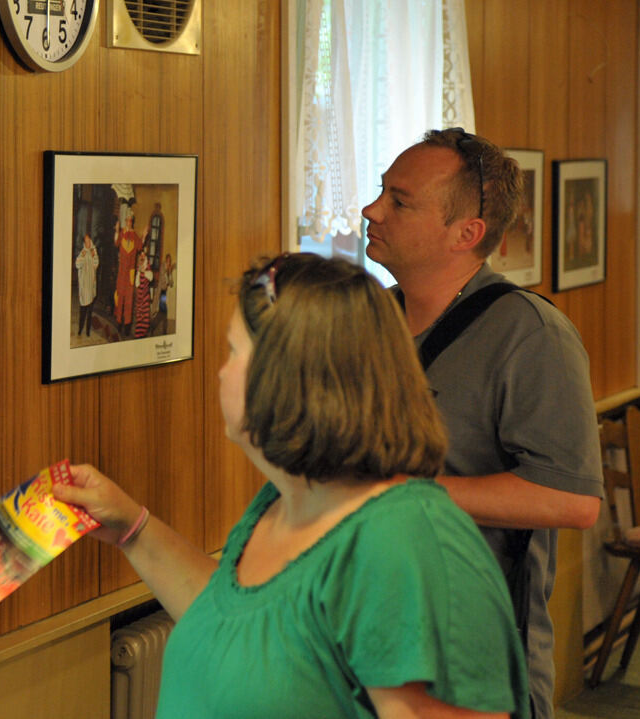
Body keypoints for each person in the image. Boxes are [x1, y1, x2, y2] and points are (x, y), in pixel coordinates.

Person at [54, 253, 530, 719]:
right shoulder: (286, 499)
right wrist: (130, 529)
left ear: (290, 376)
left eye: (235, 352)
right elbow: (243, 631)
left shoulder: (404, 542)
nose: (221, 371)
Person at [362, 128, 603, 719]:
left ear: (466, 234)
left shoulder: (530, 335)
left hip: (473, 654)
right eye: (380, 192)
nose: (371, 210)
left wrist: (402, 494)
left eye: (400, 200)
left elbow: (572, 502)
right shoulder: (367, 324)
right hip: (369, 629)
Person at [113, 211, 143, 337]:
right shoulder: (122, 233)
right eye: (127, 220)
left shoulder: (135, 236)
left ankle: (127, 326)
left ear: (132, 222)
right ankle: (119, 322)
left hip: (130, 274)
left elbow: (140, 247)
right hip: (121, 273)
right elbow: (116, 243)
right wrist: (116, 230)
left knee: (129, 301)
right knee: (120, 298)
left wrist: (144, 236)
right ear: (125, 221)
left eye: (130, 220)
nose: (128, 222)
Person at [74, 234, 99, 337]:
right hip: (84, 288)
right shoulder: (82, 253)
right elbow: (77, 264)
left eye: (89, 241)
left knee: (90, 311)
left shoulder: (94, 251)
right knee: (83, 309)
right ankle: (80, 329)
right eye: (86, 242)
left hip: (91, 286)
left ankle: (88, 330)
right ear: (84, 243)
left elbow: (96, 264)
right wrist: (83, 255)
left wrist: (94, 256)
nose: (88, 244)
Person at [132, 250, 153, 338]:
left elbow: (151, 277)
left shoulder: (148, 267)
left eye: (144, 256)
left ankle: (143, 335)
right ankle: (138, 335)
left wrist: (143, 272)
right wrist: (139, 272)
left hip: (146, 296)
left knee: (145, 318)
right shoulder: (139, 268)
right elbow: (137, 284)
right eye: (141, 256)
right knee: (139, 317)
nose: (142, 257)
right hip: (139, 296)